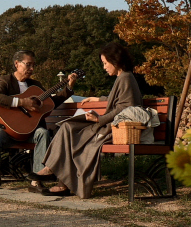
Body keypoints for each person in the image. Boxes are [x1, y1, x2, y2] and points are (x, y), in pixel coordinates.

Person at [27, 42, 142, 199]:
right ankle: (55, 174)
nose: (104, 67)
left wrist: (99, 119)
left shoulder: (125, 77)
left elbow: (125, 107)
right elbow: (118, 100)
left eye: (105, 63)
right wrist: (98, 98)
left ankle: (57, 176)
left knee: (70, 131)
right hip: (109, 124)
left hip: (113, 128)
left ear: (115, 61)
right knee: (68, 127)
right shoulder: (123, 78)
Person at [0, 50, 77, 193]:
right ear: (16, 64)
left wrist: (68, 87)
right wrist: (22, 102)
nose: (31, 69)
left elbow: (52, 102)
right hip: (8, 131)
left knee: (43, 133)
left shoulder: (35, 85)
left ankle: (36, 180)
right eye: (28, 65)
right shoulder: (5, 80)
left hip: (31, 130)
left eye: (33, 65)